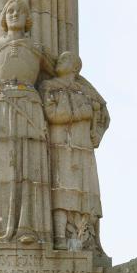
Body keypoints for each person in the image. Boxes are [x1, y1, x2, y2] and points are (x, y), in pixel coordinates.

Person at [0, 0, 54, 244]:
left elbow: (64, 75)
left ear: (28, 19)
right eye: (10, 11)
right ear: (3, 17)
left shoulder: (37, 49)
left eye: (20, 11)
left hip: (30, 103)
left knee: (31, 166)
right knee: (1, 168)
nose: (14, 14)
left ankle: (29, 229)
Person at [40, 52, 109, 251]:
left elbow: (104, 114)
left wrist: (97, 133)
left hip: (84, 147)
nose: (59, 62)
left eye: (64, 60)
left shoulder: (86, 91)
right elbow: (51, 114)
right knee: (61, 189)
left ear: (76, 67)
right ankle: (60, 237)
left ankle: (84, 239)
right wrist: (80, 114)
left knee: (84, 191)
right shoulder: (49, 87)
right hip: (60, 145)